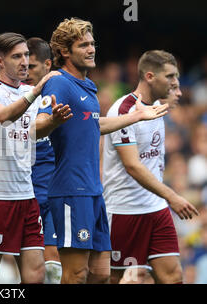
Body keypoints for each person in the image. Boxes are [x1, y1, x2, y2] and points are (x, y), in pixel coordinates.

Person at [35, 18, 170, 284]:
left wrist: (136, 116)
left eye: (92, 43)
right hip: (71, 190)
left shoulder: (87, 86)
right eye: (83, 45)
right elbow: (37, 128)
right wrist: (52, 120)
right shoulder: (58, 82)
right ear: (64, 51)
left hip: (94, 191)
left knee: (101, 274)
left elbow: (94, 125)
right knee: (74, 274)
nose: (91, 49)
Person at [0, 32, 72, 284]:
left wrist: (54, 121)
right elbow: (2, 116)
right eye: (16, 57)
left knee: (36, 274)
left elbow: (33, 132)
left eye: (26, 56)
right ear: (0, 60)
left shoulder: (28, 92)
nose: (23, 62)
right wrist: (36, 91)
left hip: (26, 195)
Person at [102, 50, 199, 284]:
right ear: (149, 76)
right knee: (118, 279)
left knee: (173, 276)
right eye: (169, 76)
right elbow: (132, 166)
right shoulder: (123, 111)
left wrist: (165, 199)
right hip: (125, 210)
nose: (175, 82)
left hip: (156, 208)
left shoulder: (156, 107)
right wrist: (172, 196)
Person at [26, 37, 62, 284]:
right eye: (22, 65)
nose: (25, 71)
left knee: (54, 265)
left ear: (47, 64)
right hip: (23, 194)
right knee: (29, 271)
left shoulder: (61, 92)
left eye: (32, 66)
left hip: (55, 191)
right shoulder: (16, 99)